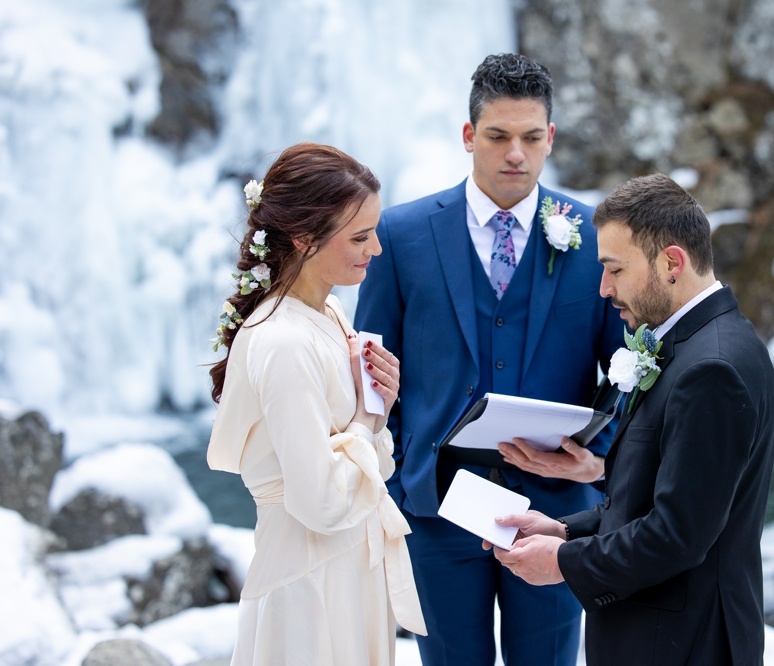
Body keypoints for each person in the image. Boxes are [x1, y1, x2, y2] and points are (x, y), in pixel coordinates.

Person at [354, 53, 622, 665]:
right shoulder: (400, 234)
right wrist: (398, 478)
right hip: (434, 511)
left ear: (551, 137)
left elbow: (630, 370)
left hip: (554, 515)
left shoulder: (593, 236)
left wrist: (594, 457)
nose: (515, 155)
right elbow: (370, 370)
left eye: (531, 138)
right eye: (498, 136)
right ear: (469, 135)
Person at [487, 173, 774, 665]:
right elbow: (648, 498)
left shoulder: (712, 369)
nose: (603, 289)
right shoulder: (699, 346)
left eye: (614, 270)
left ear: (672, 263)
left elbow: (676, 536)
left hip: (683, 644)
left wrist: (563, 563)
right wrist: (564, 531)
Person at [206, 142, 425, 666]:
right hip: (308, 585)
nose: (375, 250)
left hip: (350, 567)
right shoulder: (282, 341)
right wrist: (372, 418)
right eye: (359, 237)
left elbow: (373, 465)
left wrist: (380, 406)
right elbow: (320, 501)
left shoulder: (329, 312)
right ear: (304, 239)